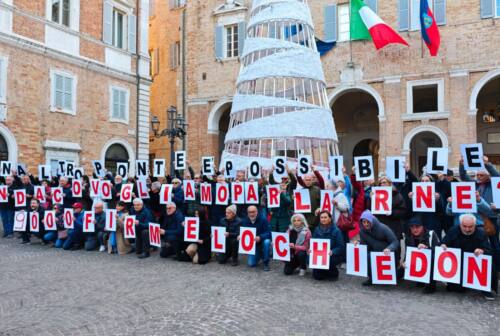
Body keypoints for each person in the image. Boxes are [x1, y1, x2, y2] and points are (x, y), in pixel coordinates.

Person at [441, 214, 498, 300]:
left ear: (475, 225)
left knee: (490, 263)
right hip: (458, 264)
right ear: (460, 224)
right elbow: (444, 242)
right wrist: (443, 245)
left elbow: (489, 251)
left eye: (470, 227)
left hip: (475, 265)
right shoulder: (453, 230)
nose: (467, 229)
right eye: (464, 226)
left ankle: (485, 288)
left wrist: (482, 251)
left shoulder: (481, 233)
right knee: (457, 289)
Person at [357, 210, 400, 286]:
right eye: (364, 222)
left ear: (372, 220)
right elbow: (364, 245)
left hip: (387, 253)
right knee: (365, 256)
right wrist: (358, 244)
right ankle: (371, 278)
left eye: (368, 222)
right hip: (373, 252)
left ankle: (389, 275)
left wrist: (389, 248)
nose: (366, 224)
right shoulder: (362, 231)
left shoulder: (383, 228)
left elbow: (395, 242)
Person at [402, 216, 440, 294]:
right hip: (418, 262)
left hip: (431, 261)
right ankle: (421, 280)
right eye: (412, 227)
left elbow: (438, 251)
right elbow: (407, 253)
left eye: (417, 227)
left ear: (422, 227)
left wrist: (427, 248)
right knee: (399, 273)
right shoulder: (408, 238)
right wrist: (404, 261)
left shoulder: (431, 234)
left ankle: (431, 285)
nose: (415, 229)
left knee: (432, 258)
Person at [309, 211, 345, 280]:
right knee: (317, 276)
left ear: (330, 219)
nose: (323, 219)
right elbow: (313, 242)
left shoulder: (336, 231)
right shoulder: (317, 229)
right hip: (320, 254)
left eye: (325, 217)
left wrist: (333, 251)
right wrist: (311, 249)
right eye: (321, 217)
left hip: (332, 255)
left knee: (331, 273)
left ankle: (333, 272)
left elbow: (341, 246)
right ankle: (324, 270)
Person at [240, 205, 271, 271]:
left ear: (257, 212)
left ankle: (266, 263)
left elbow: (269, 233)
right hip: (253, 245)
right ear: (247, 213)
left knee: (267, 242)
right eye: (249, 212)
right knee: (251, 264)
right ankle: (260, 255)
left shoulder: (263, 219)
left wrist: (260, 237)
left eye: (253, 212)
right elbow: (242, 232)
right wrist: (239, 236)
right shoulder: (244, 221)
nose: (251, 214)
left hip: (262, 241)